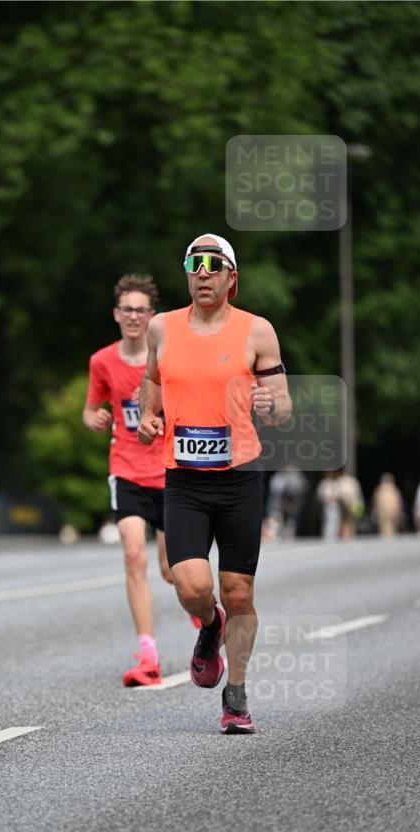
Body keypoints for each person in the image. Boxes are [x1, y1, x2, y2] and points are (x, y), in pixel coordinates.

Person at [137, 234, 291, 733]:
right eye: (194, 263)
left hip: (239, 479)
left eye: (214, 264)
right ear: (187, 274)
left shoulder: (257, 331)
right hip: (183, 479)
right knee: (192, 585)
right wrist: (148, 418)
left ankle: (237, 697)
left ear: (231, 277)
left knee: (239, 591)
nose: (203, 272)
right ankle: (209, 626)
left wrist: (272, 406)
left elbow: (282, 403)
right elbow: (153, 384)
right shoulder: (162, 328)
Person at [84, 274, 191, 686]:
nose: (133, 316)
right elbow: (91, 408)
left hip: (168, 471)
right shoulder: (102, 361)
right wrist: (93, 418)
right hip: (125, 470)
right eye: (126, 309)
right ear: (116, 314)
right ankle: (147, 654)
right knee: (134, 558)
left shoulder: (169, 358)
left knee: (171, 570)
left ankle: (206, 622)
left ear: (152, 316)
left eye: (140, 309)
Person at [334, 469, 364, 538]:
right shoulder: (353, 481)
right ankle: (350, 535)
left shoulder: (341, 481)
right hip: (352, 503)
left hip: (345, 503)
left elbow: (337, 493)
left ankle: (345, 535)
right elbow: (358, 493)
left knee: (345, 520)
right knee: (350, 520)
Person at [372, 472, 403, 537]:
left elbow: (376, 501)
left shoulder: (380, 489)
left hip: (385, 512)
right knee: (391, 530)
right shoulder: (394, 489)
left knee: (385, 530)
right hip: (390, 512)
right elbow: (398, 501)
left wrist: (377, 510)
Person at [317, 471, 341, 540]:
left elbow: (338, 494)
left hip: (335, 504)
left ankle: (334, 535)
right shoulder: (324, 483)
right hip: (327, 505)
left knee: (335, 519)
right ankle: (327, 536)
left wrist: (335, 498)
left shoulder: (334, 483)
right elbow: (322, 494)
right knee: (328, 520)